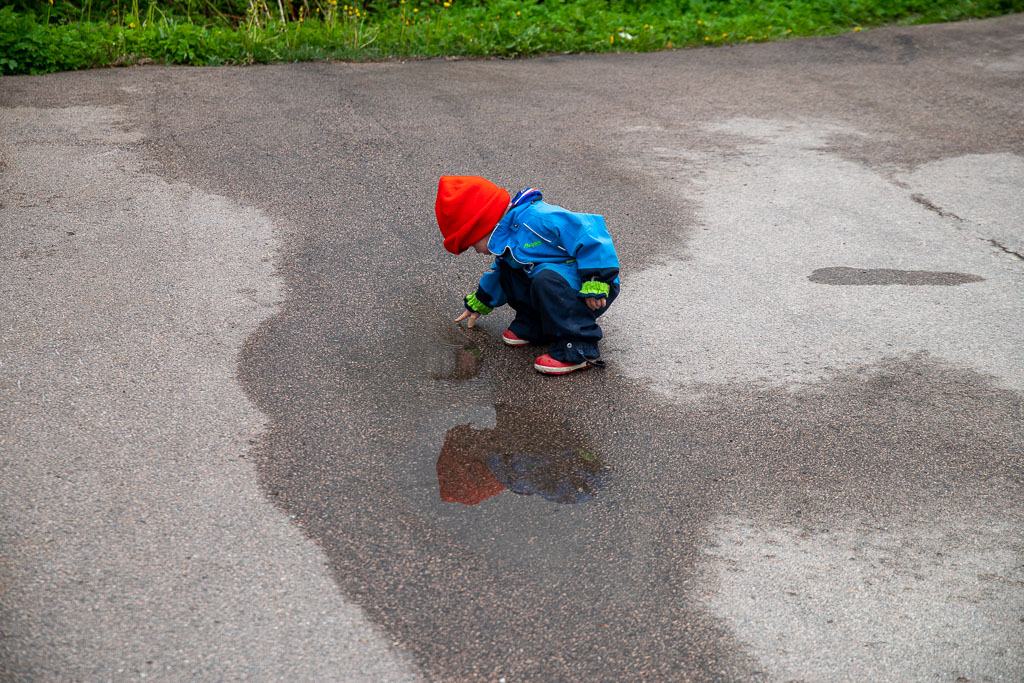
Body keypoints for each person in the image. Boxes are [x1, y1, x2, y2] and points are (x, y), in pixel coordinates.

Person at [435, 175, 620, 375]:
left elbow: (591, 233)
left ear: (483, 225)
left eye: (471, 243)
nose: (477, 251)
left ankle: (579, 346)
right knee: (509, 269)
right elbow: (499, 275)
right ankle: (536, 326)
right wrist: (481, 301)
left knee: (545, 279)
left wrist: (596, 281)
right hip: (556, 285)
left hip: (590, 288)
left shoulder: (537, 218)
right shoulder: (508, 237)